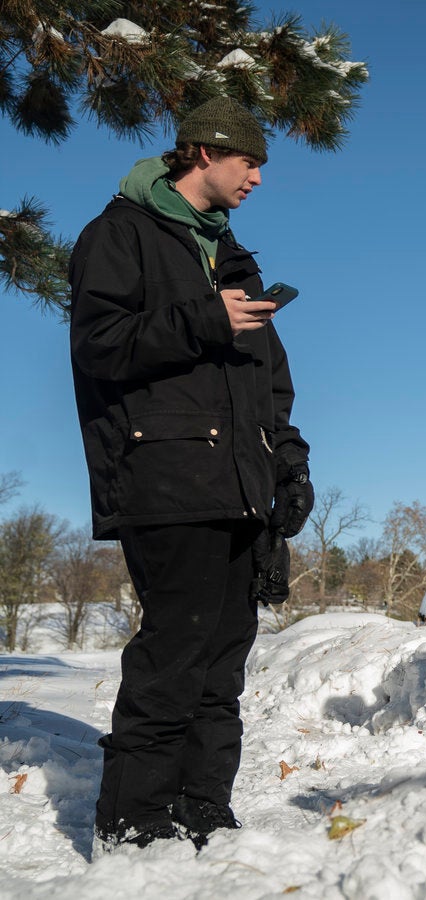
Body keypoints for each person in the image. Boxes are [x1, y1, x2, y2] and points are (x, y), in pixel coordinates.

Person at [68, 96, 314, 850]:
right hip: (165, 474)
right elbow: (98, 345)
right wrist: (205, 319)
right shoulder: (121, 235)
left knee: (223, 658)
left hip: (242, 484)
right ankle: (134, 817)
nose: (259, 178)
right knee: (176, 650)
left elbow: (268, 382)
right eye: (250, 161)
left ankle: (204, 803)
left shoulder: (234, 256)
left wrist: (292, 466)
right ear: (205, 153)